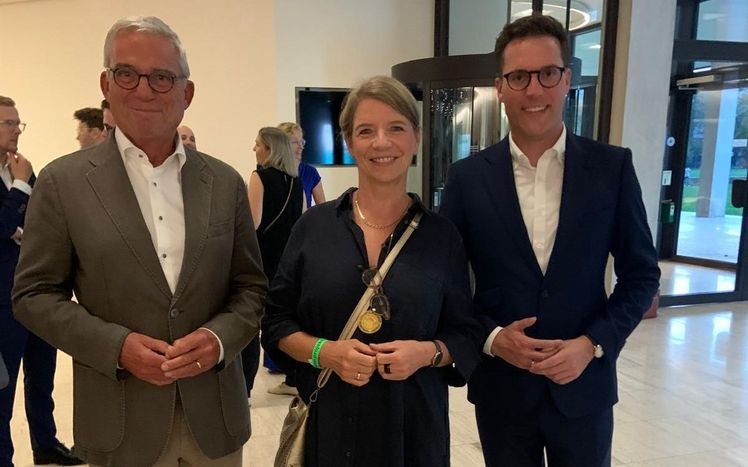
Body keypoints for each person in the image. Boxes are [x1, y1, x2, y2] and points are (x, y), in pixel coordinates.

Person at [12, 16, 267, 467]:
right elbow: (34, 295)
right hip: (120, 423)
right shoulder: (63, 183)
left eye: (162, 77)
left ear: (187, 93)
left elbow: (251, 288)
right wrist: (116, 346)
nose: (145, 90)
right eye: (127, 73)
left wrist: (218, 338)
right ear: (106, 84)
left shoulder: (224, 182)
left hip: (216, 423)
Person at [440, 14, 661, 467]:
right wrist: (491, 337)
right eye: (519, 77)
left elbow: (641, 276)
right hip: (502, 389)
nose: (534, 90)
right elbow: (446, 283)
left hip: (584, 385)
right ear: (500, 88)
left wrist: (593, 343)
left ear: (567, 81)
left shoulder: (612, 168)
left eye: (547, 74)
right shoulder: (466, 178)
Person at [262, 76, 482, 467]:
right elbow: (276, 321)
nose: (381, 142)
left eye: (396, 128)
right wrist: (324, 352)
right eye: (366, 131)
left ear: (416, 138)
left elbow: (465, 332)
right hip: (329, 429)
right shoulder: (313, 228)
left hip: (414, 433)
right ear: (349, 142)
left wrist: (426, 353)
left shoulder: (442, 237)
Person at [0, 96, 82, 467]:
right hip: (3, 300)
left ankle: (45, 443)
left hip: (36, 295)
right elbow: (4, 223)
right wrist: (19, 188)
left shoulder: (22, 169)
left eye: (18, 123)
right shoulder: (21, 175)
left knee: (41, 374)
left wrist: (17, 219)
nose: (17, 130)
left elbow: (40, 220)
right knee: (2, 390)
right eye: (9, 123)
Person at [242, 128, 303, 398]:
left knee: (251, 326)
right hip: (289, 262)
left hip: (263, 261)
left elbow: (252, 223)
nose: (254, 149)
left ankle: (245, 390)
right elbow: (301, 221)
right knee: (285, 321)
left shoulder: (260, 176)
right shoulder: (296, 181)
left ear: (269, 148)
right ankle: (295, 378)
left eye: (257, 144)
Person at [278, 122, 326, 208]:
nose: (301, 147)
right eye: (295, 142)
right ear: (282, 145)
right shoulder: (271, 173)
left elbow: (322, 208)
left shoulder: (310, 172)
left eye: (302, 142)